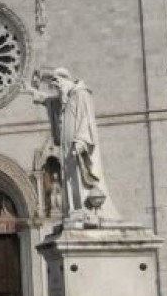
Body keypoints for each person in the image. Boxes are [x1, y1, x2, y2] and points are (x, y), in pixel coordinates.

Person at [27, 68, 116, 222]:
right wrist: (31, 90)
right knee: (71, 178)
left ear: (65, 80)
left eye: (58, 86)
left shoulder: (81, 95)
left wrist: (82, 140)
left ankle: (86, 209)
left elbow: (86, 119)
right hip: (67, 150)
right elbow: (48, 100)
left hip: (79, 147)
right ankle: (76, 209)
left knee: (80, 178)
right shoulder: (65, 99)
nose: (57, 90)